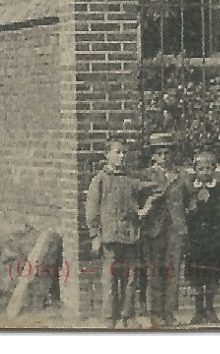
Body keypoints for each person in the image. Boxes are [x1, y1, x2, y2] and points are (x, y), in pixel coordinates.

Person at [85, 138, 149, 328]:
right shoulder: (100, 180)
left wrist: (144, 208)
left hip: (129, 237)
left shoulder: (131, 180)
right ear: (107, 155)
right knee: (111, 279)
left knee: (130, 279)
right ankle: (109, 319)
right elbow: (92, 209)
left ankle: (126, 316)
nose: (122, 156)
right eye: (117, 152)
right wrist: (95, 235)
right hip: (110, 238)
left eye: (124, 153)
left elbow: (155, 190)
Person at [140, 131, 189, 326]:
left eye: (167, 153)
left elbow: (190, 199)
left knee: (172, 271)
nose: (164, 157)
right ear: (153, 155)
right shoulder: (146, 175)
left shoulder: (181, 175)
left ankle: (169, 312)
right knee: (155, 271)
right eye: (159, 153)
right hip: (154, 229)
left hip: (175, 229)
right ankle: (155, 312)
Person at [184, 149, 220, 324]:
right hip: (195, 237)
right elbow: (183, 211)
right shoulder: (189, 189)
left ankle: (210, 308)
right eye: (201, 169)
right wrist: (191, 209)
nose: (205, 173)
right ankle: (198, 310)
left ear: (214, 169)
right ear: (195, 169)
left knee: (211, 273)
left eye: (208, 168)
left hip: (212, 237)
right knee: (196, 274)